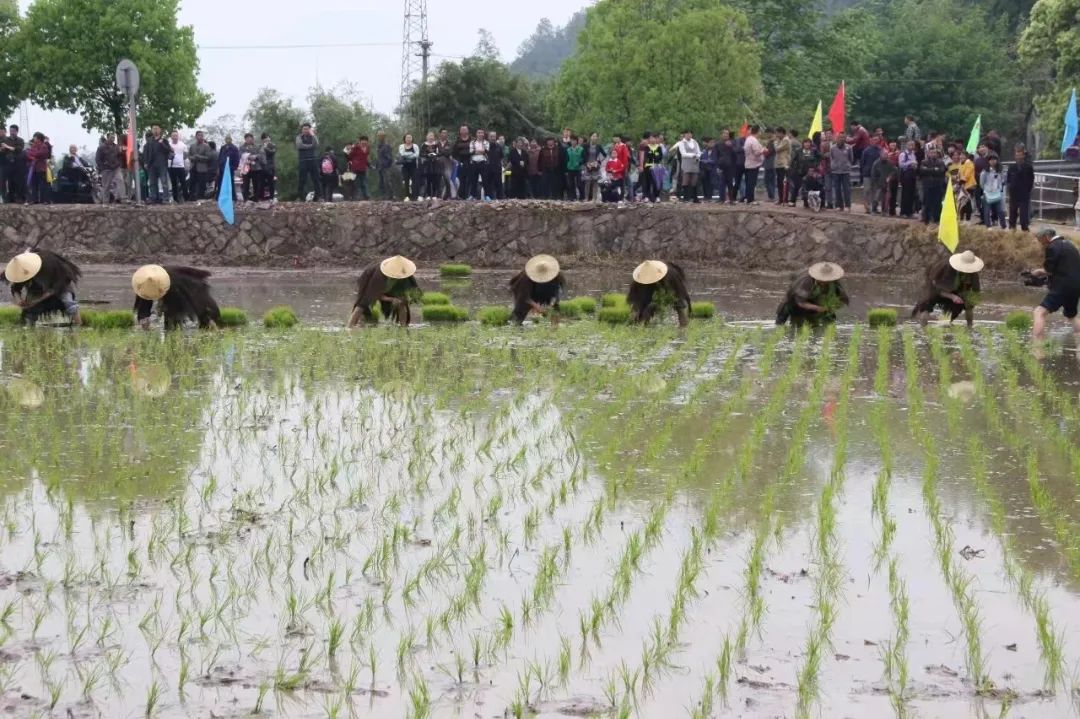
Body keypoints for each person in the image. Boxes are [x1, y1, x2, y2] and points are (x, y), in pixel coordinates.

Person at [3, 249, 82, 326]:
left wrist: (36, 301)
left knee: (69, 303)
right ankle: (28, 330)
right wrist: (19, 300)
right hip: (38, 291)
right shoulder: (25, 270)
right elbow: (15, 288)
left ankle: (79, 326)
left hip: (61, 288)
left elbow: (55, 288)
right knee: (29, 312)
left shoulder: (49, 264)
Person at [132, 264, 221, 330]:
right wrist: (143, 319)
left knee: (173, 321)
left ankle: (209, 325)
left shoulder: (174, 283)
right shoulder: (143, 281)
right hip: (177, 286)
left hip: (188, 288)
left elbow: (173, 313)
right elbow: (143, 305)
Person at [1030, 228, 1080, 339]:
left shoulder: (1052, 247)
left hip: (1063, 286)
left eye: (1040, 239)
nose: (1040, 243)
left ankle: (1037, 344)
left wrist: (1037, 272)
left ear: (1047, 237)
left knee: (1039, 312)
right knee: (1071, 316)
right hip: (1076, 286)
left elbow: (1049, 270)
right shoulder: (1070, 245)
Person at [912, 251, 983, 328]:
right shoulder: (946, 269)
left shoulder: (973, 273)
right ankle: (923, 329)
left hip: (957, 290)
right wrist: (952, 297)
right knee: (926, 305)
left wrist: (971, 301)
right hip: (935, 289)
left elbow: (976, 291)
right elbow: (937, 290)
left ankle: (970, 327)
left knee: (969, 305)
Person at [348, 255, 420, 327]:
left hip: (388, 287)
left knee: (402, 302)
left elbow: (413, 292)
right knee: (362, 304)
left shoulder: (405, 274)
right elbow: (374, 294)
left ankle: (404, 326)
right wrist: (391, 299)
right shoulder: (378, 276)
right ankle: (350, 327)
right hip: (369, 282)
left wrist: (407, 298)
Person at [776, 262, 848, 327]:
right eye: (823, 279)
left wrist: (832, 306)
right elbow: (800, 302)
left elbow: (842, 299)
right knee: (789, 326)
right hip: (794, 304)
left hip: (813, 304)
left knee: (815, 326)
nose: (825, 282)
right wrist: (818, 308)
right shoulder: (806, 281)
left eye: (828, 279)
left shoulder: (834, 283)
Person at [627, 260, 691, 327]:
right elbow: (636, 302)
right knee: (644, 307)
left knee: (679, 306)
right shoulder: (638, 281)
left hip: (670, 287)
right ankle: (642, 325)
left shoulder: (671, 276)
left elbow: (679, 301)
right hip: (649, 290)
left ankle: (683, 329)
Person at [509, 254, 564, 325]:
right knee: (520, 312)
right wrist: (537, 307)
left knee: (554, 310)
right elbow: (525, 297)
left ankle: (555, 327)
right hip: (526, 292)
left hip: (544, 289)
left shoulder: (556, 275)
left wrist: (551, 303)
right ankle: (514, 324)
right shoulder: (525, 278)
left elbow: (556, 292)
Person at [1006, 145, 1035, 232]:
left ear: (1023, 156)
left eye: (1020, 155)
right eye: (1017, 155)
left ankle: (1025, 229)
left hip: (1024, 194)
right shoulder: (1011, 167)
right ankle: (1012, 228)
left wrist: (1027, 190)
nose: (1018, 157)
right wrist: (1010, 188)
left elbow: (1031, 180)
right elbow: (1008, 179)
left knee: (1023, 215)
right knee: (1012, 213)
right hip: (1014, 194)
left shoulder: (1028, 167)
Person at [141, 125, 170, 204]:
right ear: (152, 131)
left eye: (157, 129)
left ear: (160, 130)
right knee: (152, 183)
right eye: (154, 129)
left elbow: (168, 150)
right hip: (152, 165)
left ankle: (166, 198)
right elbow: (145, 152)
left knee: (164, 182)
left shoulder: (164, 140)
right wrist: (145, 162)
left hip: (162, 164)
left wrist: (162, 144)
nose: (155, 130)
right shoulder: (149, 141)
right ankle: (154, 198)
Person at [919, 147, 948, 225]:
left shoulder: (941, 162)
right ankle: (926, 219)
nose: (933, 154)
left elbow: (941, 171)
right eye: (931, 153)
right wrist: (934, 169)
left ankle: (937, 219)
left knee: (937, 203)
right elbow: (922, 171)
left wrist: (928, 170)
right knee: (927, 203)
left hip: (937, 185)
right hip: (927, 185)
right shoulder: (924, 162)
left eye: (934, 153)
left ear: (937, 154)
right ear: (928, 153)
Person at [95, 133, 125, 203]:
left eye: (114, 138)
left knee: (120, 180)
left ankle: (123, 198)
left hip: (116, 168)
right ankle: (105, 202)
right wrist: (102, 167)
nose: (113, 139)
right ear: (107, 138)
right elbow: (98, 159)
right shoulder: (101, 147)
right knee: (106, 186)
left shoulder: (116, 147)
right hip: (106, 169)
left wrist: (119, 162)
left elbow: (119, 156)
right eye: (111, 137)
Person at [978, 154, 1007, 228]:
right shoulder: (985, 171)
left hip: (997, 192)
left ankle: (1003, 225)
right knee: (987, 210)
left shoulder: (1000, 170)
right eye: (991, 160)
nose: (993, 161)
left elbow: (1003, 180)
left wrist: (1000, 188)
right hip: (987, 193)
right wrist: (986, 189)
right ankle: (988, 226)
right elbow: (981, 183)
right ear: (988, 161)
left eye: (994, 159)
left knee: (1000, 210)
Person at [188, 131, 215, 201]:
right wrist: (192, 158)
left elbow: (208, 158)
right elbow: (189, 156)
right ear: (196, 136)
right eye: (199, 135)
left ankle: (201, 197)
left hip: (202, 168)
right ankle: (192, 197)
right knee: (192, 183)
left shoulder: (206, 146)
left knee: (202, 184)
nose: (200, 137)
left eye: (202, 136)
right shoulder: (192, 146)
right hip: (193, 167)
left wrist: (198, 157)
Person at [296, 123, 320, 201]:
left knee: (316, 179)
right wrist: (310, 146)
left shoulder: (313, 137)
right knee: (302, 179)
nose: (305, 130)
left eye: (307, 129)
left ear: (309, 129)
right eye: (304, 129)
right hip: (303, 160)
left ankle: (318, 197)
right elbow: (300, 145)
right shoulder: (299, 137)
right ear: (302, 130)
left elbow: (316, 144)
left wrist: (313, 135)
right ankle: (301, 197)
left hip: (312, 160)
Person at [675, 129, 701, 202]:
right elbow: (683, 153)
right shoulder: (681, 143)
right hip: (686, 163)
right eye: (687, 134)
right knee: (686, 180)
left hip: (695, 163)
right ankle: (686, 197)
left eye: (690, 133)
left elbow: (699, 151)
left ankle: (695, 197)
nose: (689, 135)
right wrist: (692, 155)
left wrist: (698, 156)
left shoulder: (695, 142)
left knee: (694, 180)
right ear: (685, 135)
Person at [26, 133, 52, 205]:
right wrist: (33, 155)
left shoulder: (44, 146)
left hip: (41, 168)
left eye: (35, 137)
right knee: (34, 184)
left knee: (42, 184)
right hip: (34, 167)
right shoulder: (34, 146)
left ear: (39, 139)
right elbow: (29, 154)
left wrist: (34, 154)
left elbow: (40, 154)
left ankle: (45, 200)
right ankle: (35, 199)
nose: (34, 139)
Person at [869, 152, 897, 216]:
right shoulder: (876, 163)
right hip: (877, 183)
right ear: (880, 155)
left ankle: (884, 211)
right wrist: (876, 183)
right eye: (884, 155)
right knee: (876, 197)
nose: (885, 156)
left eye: (886, 155)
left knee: (885, 198)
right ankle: (874, 210)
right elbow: (873, 174)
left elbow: (894, 171)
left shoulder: (890, 163)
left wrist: (890, 176)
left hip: (886, 183)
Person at [4, 125, 27, 203]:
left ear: (16, 131)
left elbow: (19, 149)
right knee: (10, 181)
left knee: (19, 181)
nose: (11, 132)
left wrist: (8, 147)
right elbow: (4, 150)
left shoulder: (20, 140)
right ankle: (11, 197)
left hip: (18, 163)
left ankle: (20, 197)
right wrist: (6, 148)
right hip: (8, 162)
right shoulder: (6, 140)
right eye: (10, 130)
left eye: (13, 131)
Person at [742, 126, 765, 204]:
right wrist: (763, 150)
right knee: (752, 183)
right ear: (758, 132)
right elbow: (756, 152)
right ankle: (750, 199)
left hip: (748, 163)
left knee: (749, 182)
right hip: (753, 164)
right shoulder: (754, 140)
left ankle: (748, 198)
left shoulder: (748, 139)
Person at [582, 133, 606, 203]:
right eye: (593, 136)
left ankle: (594, 198)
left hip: (595, 165)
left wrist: (598, 161)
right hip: (588, 164)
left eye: (596, 136)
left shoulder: (598, 146)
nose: (595, 138)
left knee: (595, 182)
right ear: (590, 137)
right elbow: (583, 155)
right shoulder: (586, 145)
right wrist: (586, 163)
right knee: (587, 182)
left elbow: (604, 154)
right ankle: (586, 198)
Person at [898, 140, 920, 218]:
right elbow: (901, 165)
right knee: (905, 194)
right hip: (906, 175)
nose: (911, 146)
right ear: (907, 145)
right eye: (910, 145)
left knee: (911, 193)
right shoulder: (903, 154)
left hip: (912, 175)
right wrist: (910, 163)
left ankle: (910, 212)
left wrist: (915, 165)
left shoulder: (913, 154)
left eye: (913, 145)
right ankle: (903, 212)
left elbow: (915, 163)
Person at [465, 129, 488, 200]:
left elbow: (486, 151)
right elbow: (471, 152)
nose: (480, 134)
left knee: (485, 180)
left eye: (481, 133)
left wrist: (478, 151)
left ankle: (487, 195)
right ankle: (472, 195)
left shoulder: (486, 142)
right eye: (479, 133)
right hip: (474, 162)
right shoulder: (472, 142)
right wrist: (480, 151)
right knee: (473, 180)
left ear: (483, 134)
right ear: (476, 134)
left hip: (483, 162)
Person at [417, 132, 441, 200]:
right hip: (426, 165)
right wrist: (427, 155)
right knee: (427, 180)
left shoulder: (436, 144)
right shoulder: (424, 145)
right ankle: (428, 195)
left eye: (432, 136)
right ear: (426, 137)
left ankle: (434, 195)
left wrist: (435, 155)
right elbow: (421, 154)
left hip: (435, 164)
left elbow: (439, 152)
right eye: (429, 136)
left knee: (435, 179)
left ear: (434, 137)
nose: (431, 137)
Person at [216, 135, 240, 201]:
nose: (227, 140)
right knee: (221, 182)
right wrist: (218, 167)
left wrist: (234, 167)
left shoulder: (234, 148)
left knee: (230, 182)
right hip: (222, 167)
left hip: (230, 168)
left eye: (229, 139)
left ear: (231, 140)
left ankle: (232, 197)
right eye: (226, 139)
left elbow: (237, 159)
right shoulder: (223, 147)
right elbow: (219, 157)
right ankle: (220, 197)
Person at [166, 130, 188, 203]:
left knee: (183, 182)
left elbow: (185, 155)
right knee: (174, 183)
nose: (174, 137)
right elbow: (166, 155)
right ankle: (175, 198)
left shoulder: (183, 145)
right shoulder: (168, 145)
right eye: (173, 136)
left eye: (176, 135)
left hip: (180, 166)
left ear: (178, 136)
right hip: (171, 167)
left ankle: (186, 198)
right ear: (171, 137)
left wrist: (180, 160)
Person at [238, 133, 260, 202]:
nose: (249, 140)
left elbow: (260, 154)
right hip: (246, 168)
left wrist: (255, 156)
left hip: (255, 167)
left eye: (251, 139)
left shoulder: (257, 146)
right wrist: (248, 156)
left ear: (253, 139)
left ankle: (256, 199)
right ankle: (246, 199)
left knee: (256, 184)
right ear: (245, 139)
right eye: (248, 139)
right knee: (245, 184)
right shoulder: (242, 147)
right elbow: (240, 154)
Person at [398, 133, 420, 201]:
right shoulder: (401, 146)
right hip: (405, 166)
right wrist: (411, 154)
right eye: (407, 137)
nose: (408, 139)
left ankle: (415, 196)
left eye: (410, 137)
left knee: (415, 181)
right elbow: (402, 154)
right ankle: (407, 196)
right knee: (406, 180)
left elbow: (416, 155)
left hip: (413, 165)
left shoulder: (415, 146)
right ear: (404, 139)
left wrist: (407, 155)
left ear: (412, 138)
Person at [773, 127, 791, 205]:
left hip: (784, 164)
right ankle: (780, 199)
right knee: (779, 182)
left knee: (784, 182)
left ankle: (785, 199)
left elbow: (777, 149)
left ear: (781, 133)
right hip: (778, 164)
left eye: (777, 133)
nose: (776, 135)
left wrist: (775, 142)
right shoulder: (780, 140)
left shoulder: (786, 140)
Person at [564, 135, 584, 201]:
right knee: (570, 184)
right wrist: (566, 168)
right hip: (570, 168)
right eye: (572, 140)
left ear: (577, 141)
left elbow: (584, 158)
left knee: (579, 184)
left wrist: (579, 163)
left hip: (578, 168)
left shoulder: (581, 149)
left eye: (574, 140)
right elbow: (566, 159)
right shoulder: (568, 149)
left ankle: (582, 197)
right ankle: (573, 197)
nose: (573, 142)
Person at [258, 133, 277, 201]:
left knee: (271, 183)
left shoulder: (272, 145)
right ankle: (261, 198)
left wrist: (266, 148)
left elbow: (272, 153)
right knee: (261, 183)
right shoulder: (259, 146)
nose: (267, 139)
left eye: (268, 138)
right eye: (265, 138)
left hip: (270, 167)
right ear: (262, 140)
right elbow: (258, 155)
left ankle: (271, 197)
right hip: (261, 167)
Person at [376, 131, 394, 200]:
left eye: (381, 136)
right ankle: (383, 195)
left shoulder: (387, 146)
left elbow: (390, 158)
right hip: (380, 167)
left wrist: (386, 164)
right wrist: (377, 164)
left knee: (387, 181)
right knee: (381, 182)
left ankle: (390, 195)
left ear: (384, 136)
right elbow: (379, 157)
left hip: (385, 167)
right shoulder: (379, 146)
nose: (380, 137)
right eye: (379, 136)